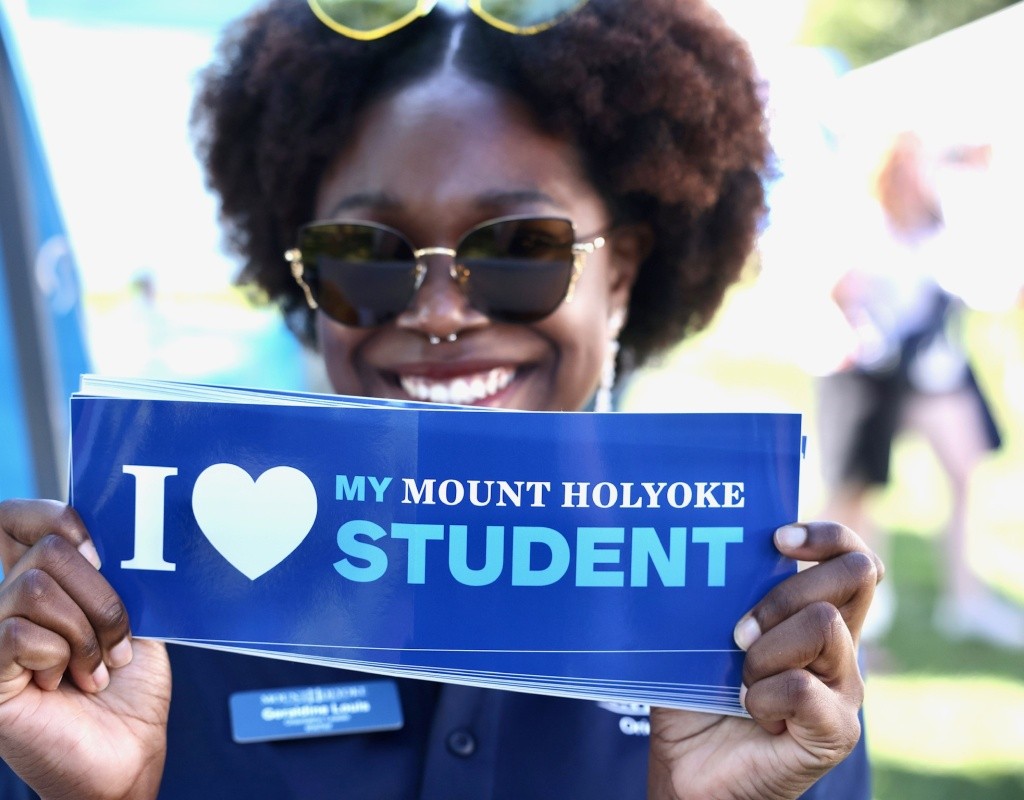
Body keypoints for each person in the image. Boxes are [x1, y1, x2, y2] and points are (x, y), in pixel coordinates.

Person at [0, 1, 882, 797]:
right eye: (364, 256)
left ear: (621, 273)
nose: (438, 313)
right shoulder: (151, 599)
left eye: (518, 250)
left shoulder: (746, 641)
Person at [816, 130, 1023, 648]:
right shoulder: (870, 225)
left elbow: (978, 285)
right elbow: (837, 291)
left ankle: (966, 598)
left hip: (931, 374)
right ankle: (852, 610)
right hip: (875, 375)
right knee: (856, 491)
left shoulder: (941, 224)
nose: (918, 177)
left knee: (965, 470)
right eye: (907, 167)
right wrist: (859, 331)